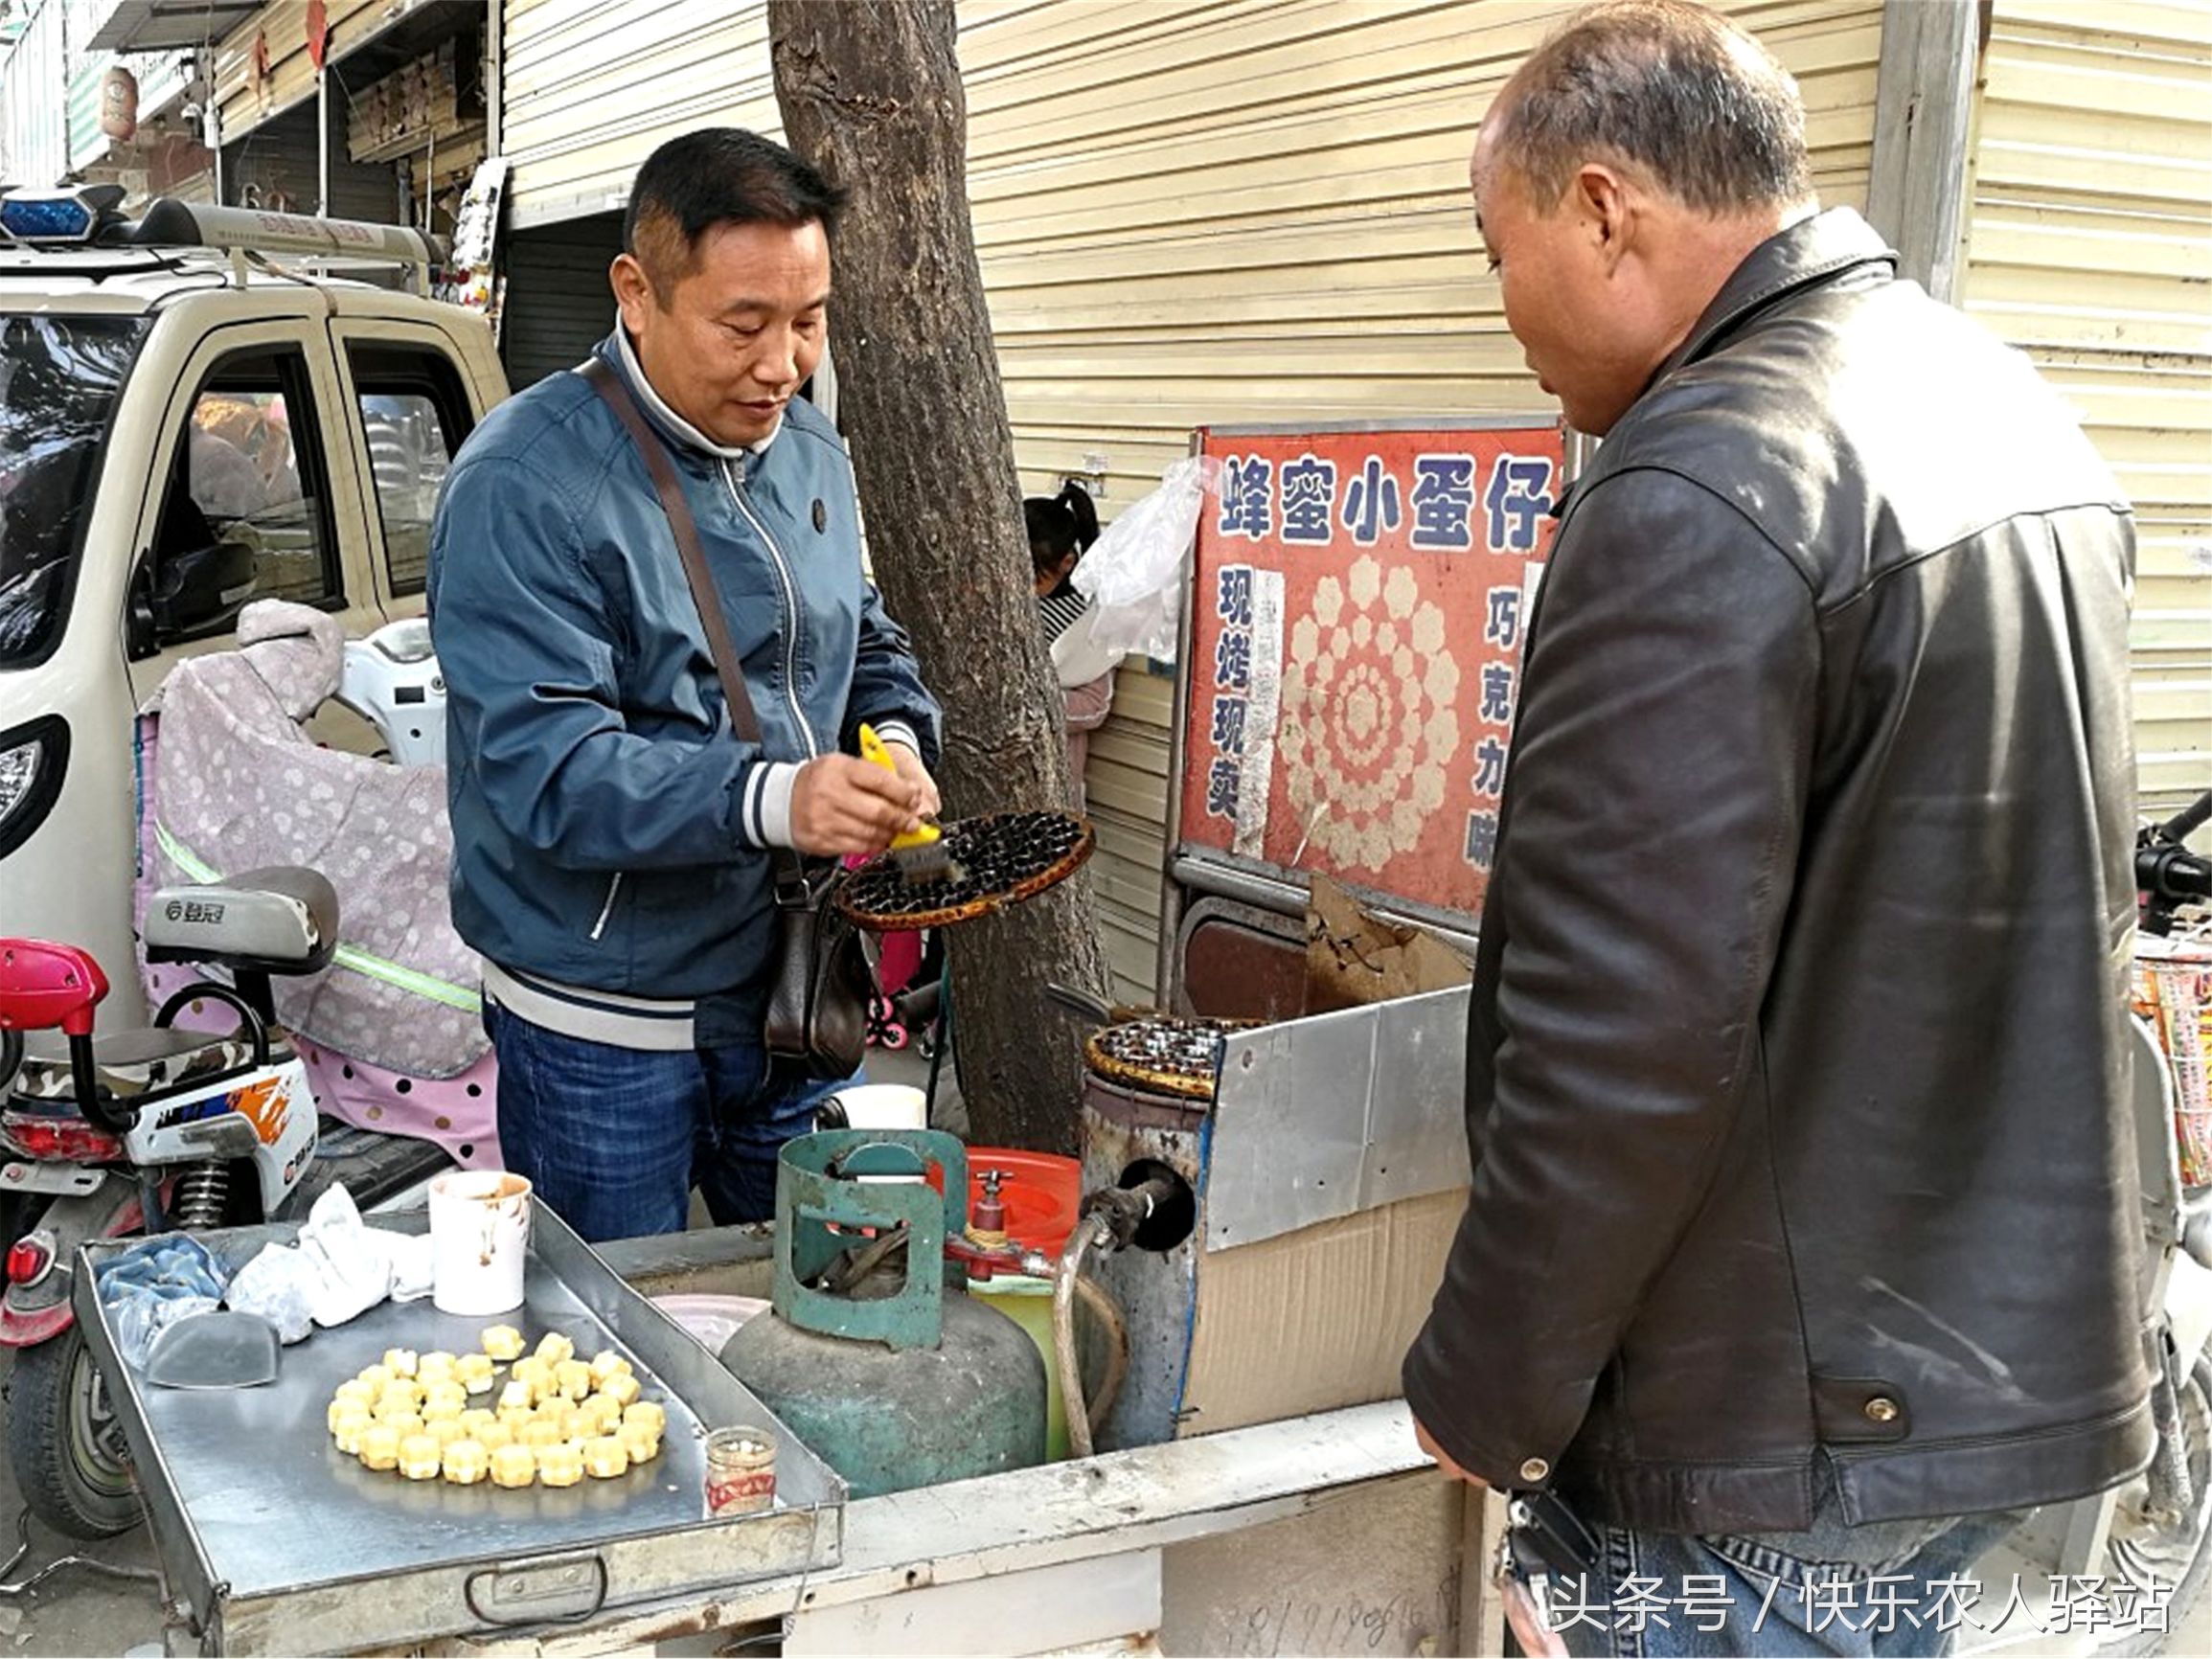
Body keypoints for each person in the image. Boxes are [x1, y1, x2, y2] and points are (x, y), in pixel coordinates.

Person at [1402, 4, 2143, 1653]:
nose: (1500, 307)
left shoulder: (1697, 485)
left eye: (1495, 247)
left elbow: (1627, 1035)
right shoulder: (1995, 402)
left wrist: (1486, 1387)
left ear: (1602, 210)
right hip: (1975, 1356)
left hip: (1774, 1415)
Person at [428, 129, 943, 1243]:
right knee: (615, 1345)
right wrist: (779, 799)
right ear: (638, 291)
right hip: (602, 1030)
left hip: (791, 992)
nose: (783, 364)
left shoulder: (808, 446)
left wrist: (896, 742)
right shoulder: (522, 483)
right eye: (744, 324)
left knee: (830, 1299)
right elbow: (546, 772)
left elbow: (865, 638)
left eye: (808, 321)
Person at [1029, 481, 1115, 810]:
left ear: (1067, 562)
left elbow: (1095, 704)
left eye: (1036, 574)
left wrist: (1031, 707)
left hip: (1055, 778)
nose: (1026, 585)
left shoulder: (1091, 616)